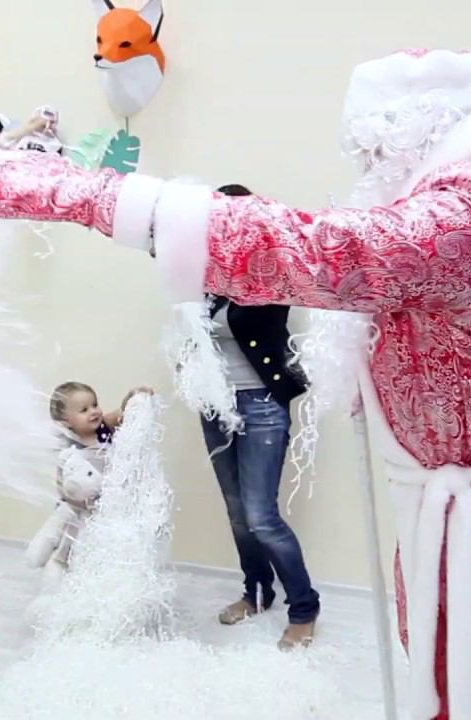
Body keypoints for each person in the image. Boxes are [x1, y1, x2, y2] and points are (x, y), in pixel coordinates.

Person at [0, 48, 471, 720]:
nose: (367, 169)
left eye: (372, 150)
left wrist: (69, 190)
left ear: (410, 133)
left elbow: (310, 250)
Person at [200, 185, 319, 650]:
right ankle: (256, 592)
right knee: (237, 514)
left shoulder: (271, 270)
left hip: (261, 404)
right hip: (216, 404)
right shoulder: (202, 276)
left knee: (261, 516)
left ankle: (304, 608)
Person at [26, 381, 150, 588]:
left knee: (101, 551)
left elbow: (123, 413)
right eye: (84, 410)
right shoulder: (69, 443)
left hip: (106, 508)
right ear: (65, 422)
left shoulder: (103, 429)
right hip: (78, 509)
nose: (93, 411)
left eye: (94, 404)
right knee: (69, 543)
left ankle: (97, 581)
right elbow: (64, 484)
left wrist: (134, 397)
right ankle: (59, 572)